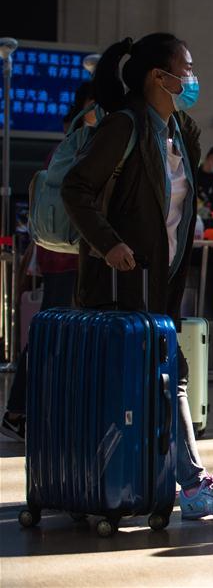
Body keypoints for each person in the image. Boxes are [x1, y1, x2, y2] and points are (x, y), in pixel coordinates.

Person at [60, 33, 213, 519]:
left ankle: (166, 483)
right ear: (158, 77)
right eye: (184, 69)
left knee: (167, 377)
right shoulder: (123, 127)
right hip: (121, 284)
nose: (191, 78)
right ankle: (188, 485)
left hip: (160, 282)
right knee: (164, 378)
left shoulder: (178, 133)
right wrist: (110, 244)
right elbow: (76, 188)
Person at [0, 83, 96, 442]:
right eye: (94, 106)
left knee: (54, 335)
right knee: (51, 337)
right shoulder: (75, 148)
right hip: (67, 256)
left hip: (64, 254)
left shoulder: (68, 148)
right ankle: (17, 412)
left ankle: (26, 411)